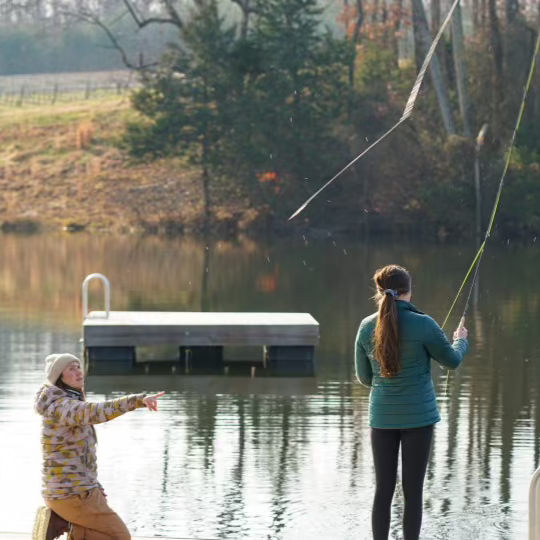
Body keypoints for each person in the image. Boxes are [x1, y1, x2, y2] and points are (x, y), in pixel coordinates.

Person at [355, 265, 468, 540]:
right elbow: (451, 361)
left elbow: (364, 378)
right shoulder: (424, 323)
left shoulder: (367, 325)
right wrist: (461, 341)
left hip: (382, 419)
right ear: (409, 290)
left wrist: (387, 387)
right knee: (413, 491)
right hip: (419, 420)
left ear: (380, 291)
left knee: (383, 489)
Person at [32, 353, 164, 540]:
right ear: (59, 377)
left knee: (95, 535)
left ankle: (71, 527)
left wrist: (94, 485)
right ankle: (67, 523)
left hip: (78, 491)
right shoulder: (62, 407)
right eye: (71, 368)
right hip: (71, 494)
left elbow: (79, 455)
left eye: (78, 366)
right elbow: (97, 412)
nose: (78, 371)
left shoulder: (70, 403)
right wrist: (136, 400)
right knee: (120, 537)